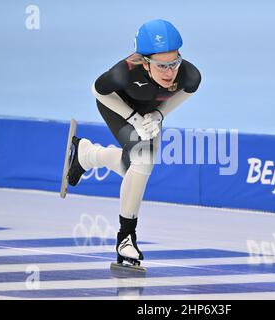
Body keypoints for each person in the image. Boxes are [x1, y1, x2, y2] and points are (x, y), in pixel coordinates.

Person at [66, 19, 201, 268]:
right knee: (143, 161)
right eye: (162, 66)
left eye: (174, 62)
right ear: (145, 61)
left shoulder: (189, 75)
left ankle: (88, 154)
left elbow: (187, 91)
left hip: (150, 114)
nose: (170, 72)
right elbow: (98, 90)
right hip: (118, 108)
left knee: (135, 171)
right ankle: (126, 236)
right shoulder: (123, 72)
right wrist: (133, 118)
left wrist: (159, 115)